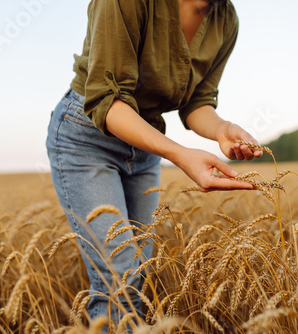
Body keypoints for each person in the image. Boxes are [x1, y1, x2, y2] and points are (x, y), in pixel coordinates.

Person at [46, 0, 262, 328]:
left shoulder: (226, 18)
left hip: (146, 146)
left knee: (139, 275)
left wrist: (220, 129)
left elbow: (196, 101)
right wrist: (178, 153)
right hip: (87, 139)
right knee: (118, 278)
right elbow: (108, 100)